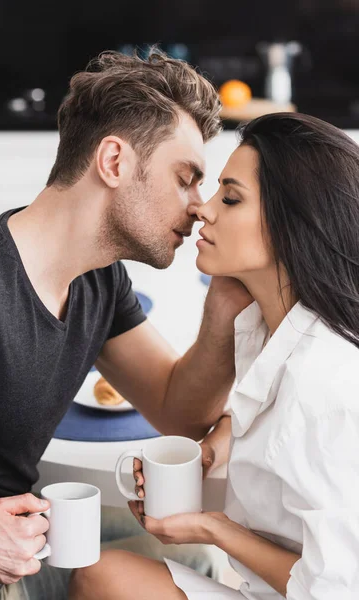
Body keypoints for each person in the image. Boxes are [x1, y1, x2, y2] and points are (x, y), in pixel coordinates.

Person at [0, 49, 254, 600]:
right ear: (114, 162)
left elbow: (179, 412)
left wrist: (223, 307)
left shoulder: (99, 280)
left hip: (22, 550)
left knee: (191, 556)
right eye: (186, 179)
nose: (200, 207)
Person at [81, 111, 359, 600]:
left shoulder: (326, 385)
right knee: (102, 576)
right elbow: (268, 404)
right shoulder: (266, 326)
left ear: (294, 224)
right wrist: (217, 444)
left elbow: (334, 587)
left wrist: (212, 529)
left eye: (230, 198)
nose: (202, 210)